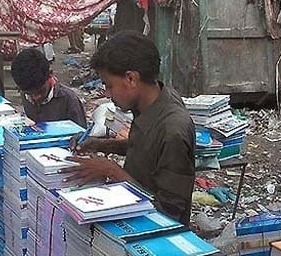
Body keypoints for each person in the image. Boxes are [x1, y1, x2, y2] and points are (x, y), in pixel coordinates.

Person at [64, 31, 195, 225]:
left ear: (131, 79)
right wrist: (99, 145)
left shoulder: (173, 130)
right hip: (132, 212)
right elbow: (144, 147)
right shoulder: (151, 100)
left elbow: (168, 212)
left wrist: (112, 171)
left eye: (109, 85)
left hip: (155, 230)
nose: (107, 94)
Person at [11, 48, 86, 126]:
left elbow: (82, 135)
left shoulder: (69, 101)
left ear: (50, 74)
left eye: (40, 91)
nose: (35, 98)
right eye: (29, 94)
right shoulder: (26, 92)